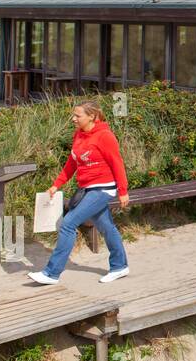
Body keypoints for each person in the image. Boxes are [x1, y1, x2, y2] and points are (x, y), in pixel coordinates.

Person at [29, 101, 131, 285]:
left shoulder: (105, 136)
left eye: (78, 116)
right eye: (73, 115)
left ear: (91, 116)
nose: (73, 119)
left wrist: (123, 191)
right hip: (87, 188)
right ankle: (120, 266)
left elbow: (117, 163)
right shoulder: (79, 135)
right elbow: (72, 164)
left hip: (103, 188)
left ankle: (51, 273)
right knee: (107, 227)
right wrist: (56, 185)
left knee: (68, 223)